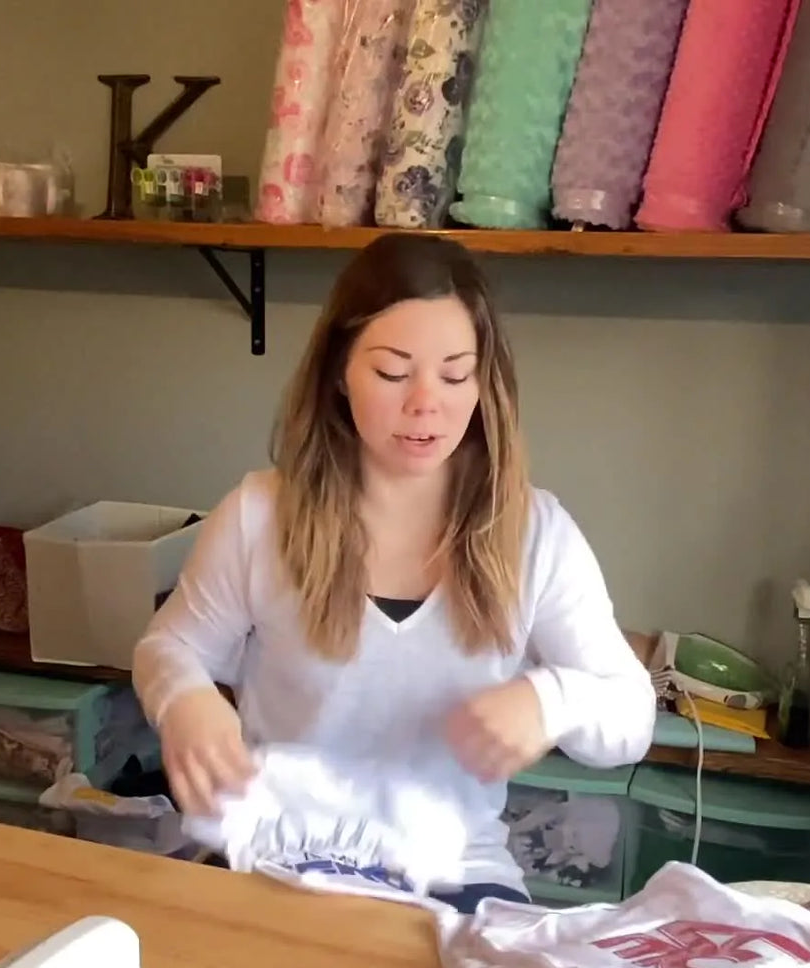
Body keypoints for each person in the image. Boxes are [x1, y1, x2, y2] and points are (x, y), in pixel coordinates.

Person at [131, 232, 657, 914]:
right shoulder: (258, 515)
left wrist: (552, 700)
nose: (425, 404)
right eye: (392, 372)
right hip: (278, 854)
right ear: (339, 372)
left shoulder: (535, 534)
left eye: (454, 372)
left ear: (483, 380)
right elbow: (166, 648)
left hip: (453, 874)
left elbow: (630, 713)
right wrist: (186, 702)